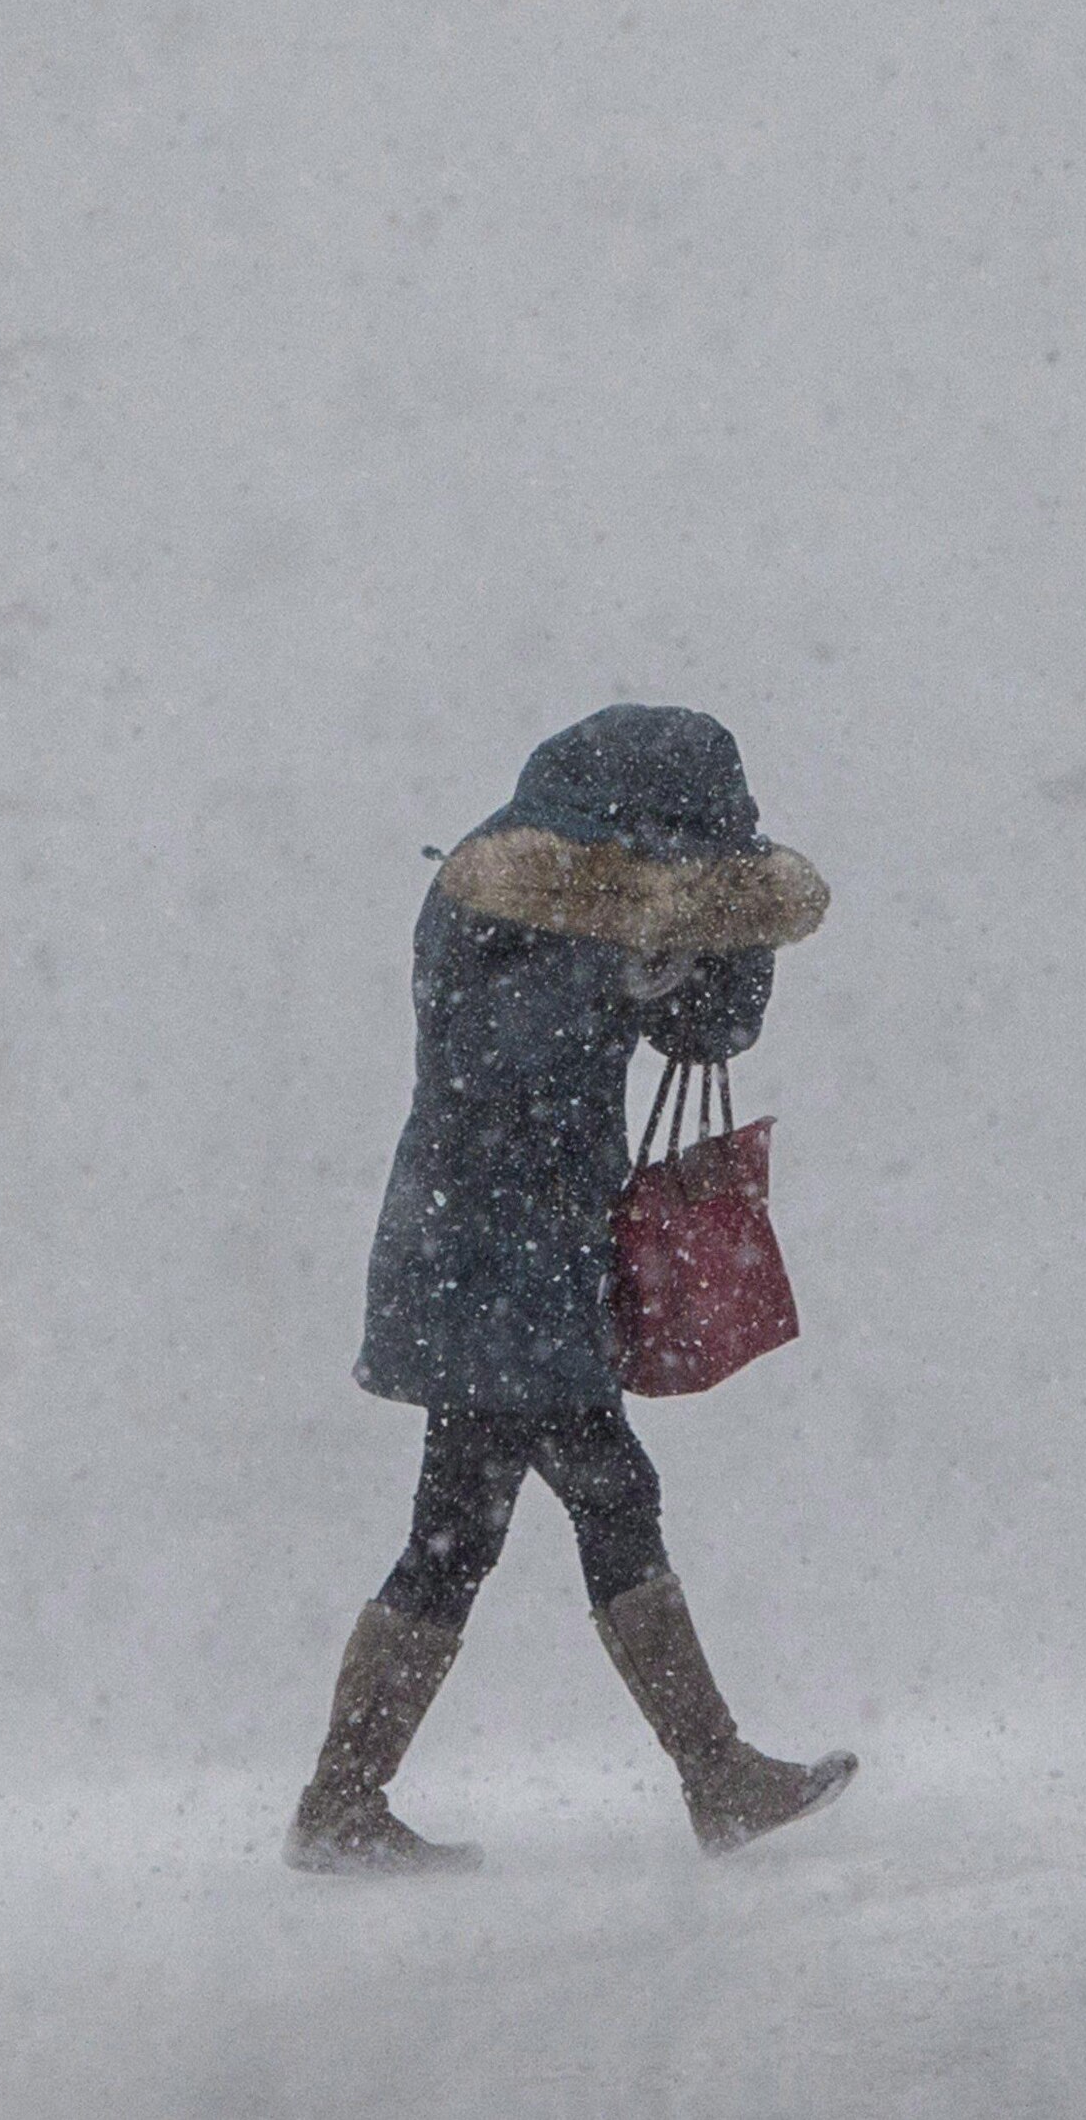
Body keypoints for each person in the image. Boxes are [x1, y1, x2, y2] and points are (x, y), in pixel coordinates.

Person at [288, 704, 853, 1873]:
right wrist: (634, 970)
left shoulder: (572, 904)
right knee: (601, 1492)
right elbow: (516, 1069)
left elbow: (705, 1038)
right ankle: (715, 1774)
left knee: (457, 1530)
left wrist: (718, 946)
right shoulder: (498, 902)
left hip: (516, 1258)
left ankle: (343, 1803)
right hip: (488, 1257)